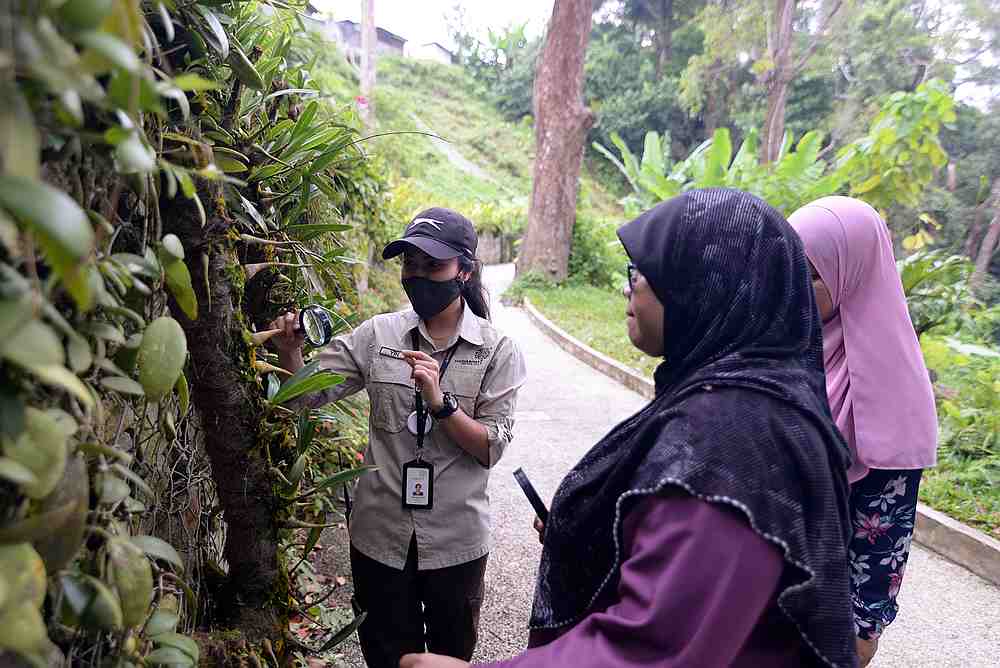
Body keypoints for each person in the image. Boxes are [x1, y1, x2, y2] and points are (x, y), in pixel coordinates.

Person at [402, 189, 858, 668]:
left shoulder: (729, 443)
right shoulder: (747, 401)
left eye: (642, 272)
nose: (629, 288)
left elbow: (656, 647)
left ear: (699, 285)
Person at [270, 207, 526, 668]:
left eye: (434, 266)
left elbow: (490, 447)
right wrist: (291, 354)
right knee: (386, 658)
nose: (419, 276)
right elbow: (302, 397)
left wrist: (442, 403)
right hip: (379, 537)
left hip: (456, 543)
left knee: (449, 661)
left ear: (464, 271)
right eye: (411, 264)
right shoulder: (377, 335)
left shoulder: (496, 350)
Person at [789, 196, 938, 666]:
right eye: (784, 267)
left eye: (808, 277)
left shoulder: (897, 396)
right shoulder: (778, 345)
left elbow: (869, 592)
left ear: (848, 276)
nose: (788, 289)